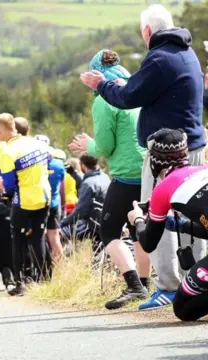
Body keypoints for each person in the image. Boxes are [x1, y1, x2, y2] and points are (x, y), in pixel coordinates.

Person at [80, 4, 207, 310]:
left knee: (157, 216)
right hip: (194, 146)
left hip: (165, 153)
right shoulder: (186, 53)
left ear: (148, 32)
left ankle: (167, 286)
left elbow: (128, 97)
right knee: (196, 215)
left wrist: (102, 85)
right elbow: (147, 88)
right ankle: (198, 282)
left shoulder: (158, 57)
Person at [70, 49, 150, 310]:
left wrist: (87, 145)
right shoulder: (132, 91)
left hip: (125, 174)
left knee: (109, 231)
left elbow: (104, 147)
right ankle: (145, 284)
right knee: (139, 228)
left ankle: (134, 286)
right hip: (147, 170)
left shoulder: (104, 100)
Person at [126, 129, 208, 320]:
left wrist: (138, 219)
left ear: (155, 161)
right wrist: (175, 224)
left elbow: (148, 243)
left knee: (182, 308)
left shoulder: (162, 189)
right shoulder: (204, 169)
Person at [0, 113, 51, 296]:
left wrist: (3, 188)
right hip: (44, 195)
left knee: (17, 240)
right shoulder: (36, 142)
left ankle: (20, 283)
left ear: (1, 130)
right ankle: (44, 281)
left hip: (24, 199)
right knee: (38, 238)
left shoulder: (7, 151)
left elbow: (9, 184)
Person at [59, 155, 109, 242]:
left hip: (92, 224)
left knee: (59, 233)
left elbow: (79, 212)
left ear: (82, 165)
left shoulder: (88, 183)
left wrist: (62, 223)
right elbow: (91, 184)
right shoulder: (104, 177)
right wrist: (73, 173)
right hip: (105, 220)